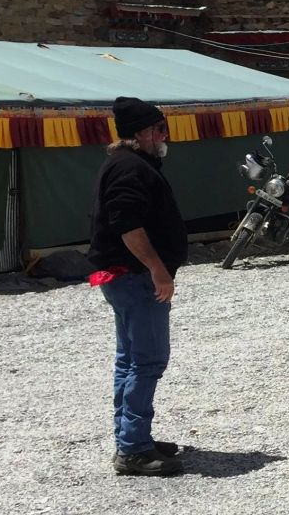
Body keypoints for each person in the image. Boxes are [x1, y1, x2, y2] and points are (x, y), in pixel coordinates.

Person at [87, 96, 188, 476]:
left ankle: (133, 437)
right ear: (144, 132)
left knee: (129, 359)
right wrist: (159, 271)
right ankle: (132, 450)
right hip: (133, 276)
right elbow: (129, 227)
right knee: (148, 360)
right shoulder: (131, 169)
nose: (165, 136)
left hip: (119, 275)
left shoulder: (129, 163)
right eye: (160, 129)